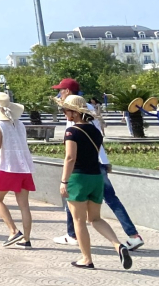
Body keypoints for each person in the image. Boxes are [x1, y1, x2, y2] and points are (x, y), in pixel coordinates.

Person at [51, 78, 144, 251]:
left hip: (84, 168)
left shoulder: (74, 117)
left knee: (86, 207)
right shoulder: (88, 112)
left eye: (61, 90)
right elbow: (96, 139)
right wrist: (105, 160)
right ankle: (129, 236)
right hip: (97, 164)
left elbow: (72, 153)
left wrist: (64, 180)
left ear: (68, 92)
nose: (60, 93)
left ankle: (82, 245)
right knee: (98, 206)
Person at [58, 95, 133, 270]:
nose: (64, 114)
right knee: (96, 218)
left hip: (78, 178)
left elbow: (70, 158)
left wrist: (64, 181)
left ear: (74, 112)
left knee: (79, 220)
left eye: (65, 110)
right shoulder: (95, 131)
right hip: (96, 177)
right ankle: (118, 245)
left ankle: (86, 259)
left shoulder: (72, 132)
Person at [0, 92, 34, 248]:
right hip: (24, 167)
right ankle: (26, 238)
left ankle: (13, 231)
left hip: (7, 166)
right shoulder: (19, 123)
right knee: (24, 205)